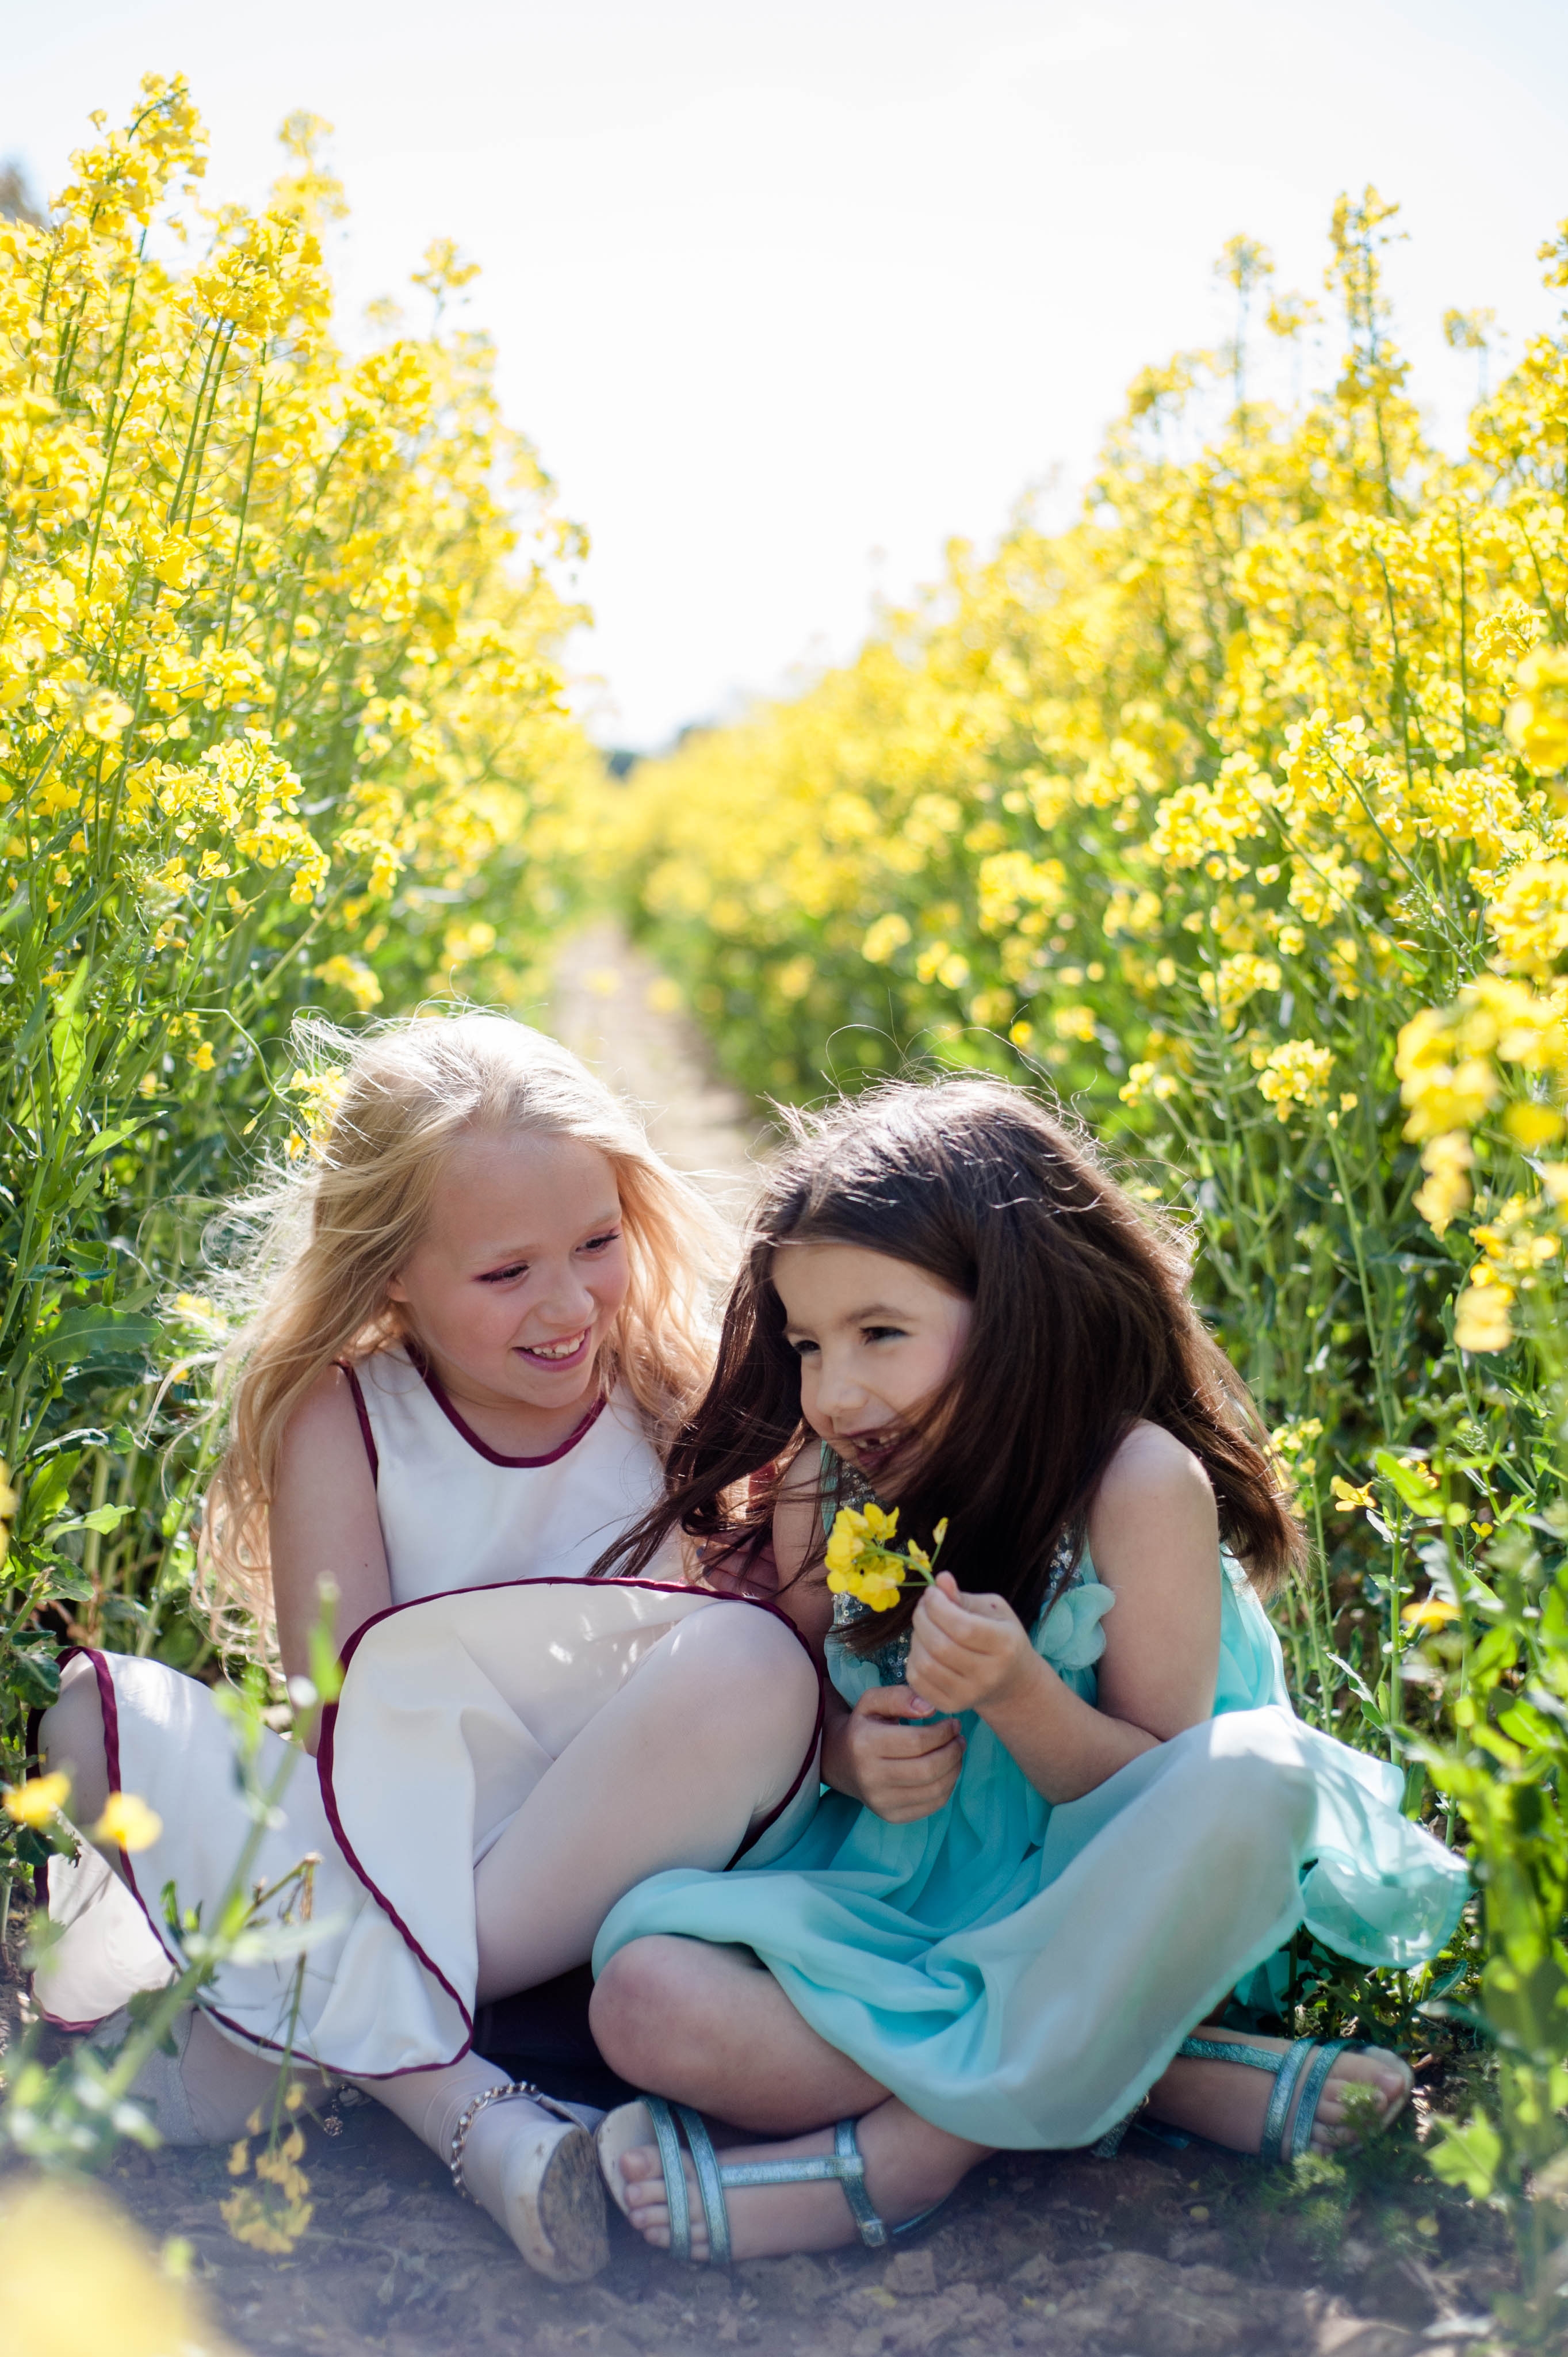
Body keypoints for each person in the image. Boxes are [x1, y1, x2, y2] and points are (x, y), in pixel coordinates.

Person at [581, 1076, 1469, 2263]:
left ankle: (904, 2160)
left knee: (1256, 1775)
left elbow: (1154, 1797)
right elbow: (795, 1716)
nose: (835, 1392)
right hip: (906, 1915)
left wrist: (1019, 1696)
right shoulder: (818, 1485)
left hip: (1105, 1914)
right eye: (807, 1346)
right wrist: (855, 1758)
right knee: (639, 1997)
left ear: (1017, 1312)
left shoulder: (1135, 1485)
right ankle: (1145, 2074)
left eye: (880, 1334)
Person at [37, 1013, 823, 2282]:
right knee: (87, 1714)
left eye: (598, 1245)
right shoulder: (342, 1415)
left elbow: (748, 1686)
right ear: (390, 1269)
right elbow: (346, 1725)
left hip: (588, 1880)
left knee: (755, 1672)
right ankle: (463, 2104)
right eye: (506, 1273)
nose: (568, 1303)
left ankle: (337, 2043)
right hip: (401, 1842)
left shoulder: (667, 1384)